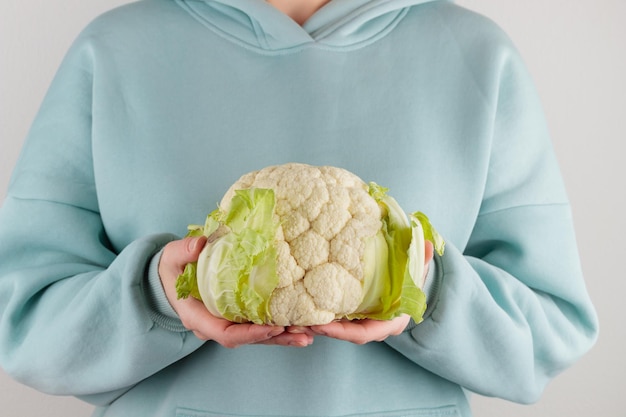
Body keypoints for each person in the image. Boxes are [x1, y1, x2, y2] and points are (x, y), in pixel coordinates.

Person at [0, 0, 598, 416]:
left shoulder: (477, 54)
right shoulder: (113, 50)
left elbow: (551, 330)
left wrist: (421, 286)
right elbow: (21, 321)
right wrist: (157, 295)